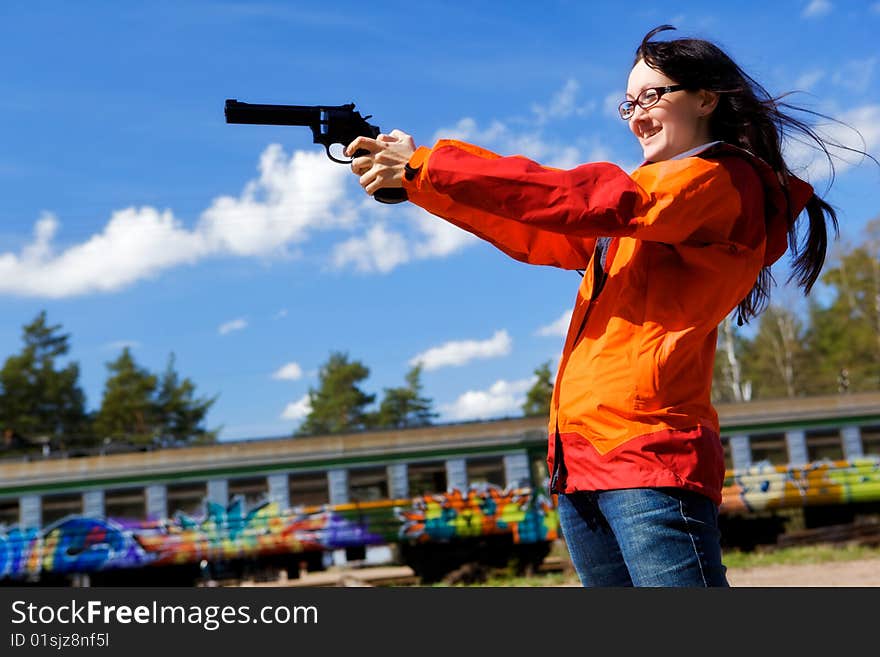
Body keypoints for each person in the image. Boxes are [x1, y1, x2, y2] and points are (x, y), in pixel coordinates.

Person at [344, 26, 849, 586]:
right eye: (629, 103)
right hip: (583, 462)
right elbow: (540, 231)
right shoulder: (651, 211)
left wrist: (431, 163)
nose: (637, 115)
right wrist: (420, 183)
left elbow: (587, 199)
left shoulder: (718, 181)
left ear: (707, 99)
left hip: (648, 458)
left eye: (652, 96)